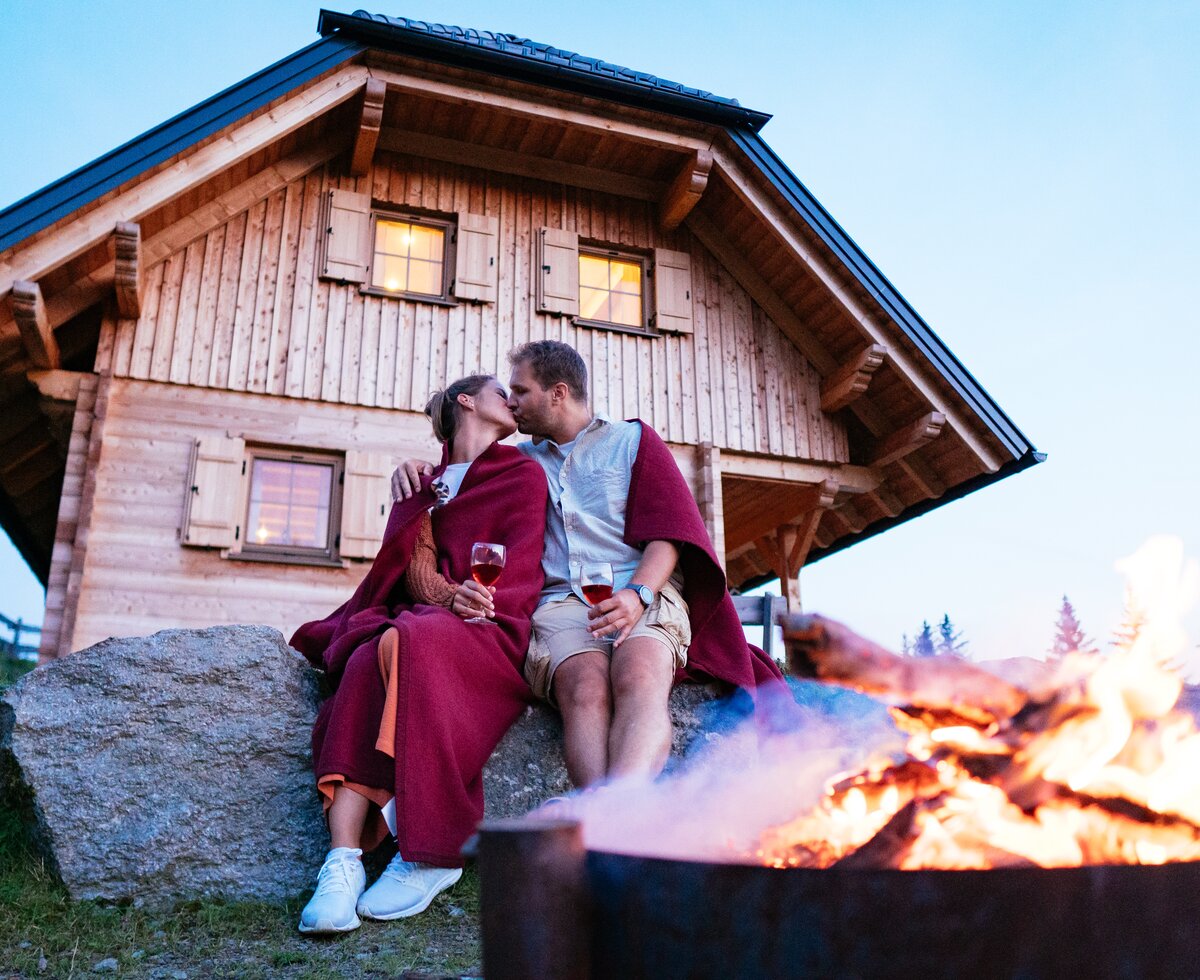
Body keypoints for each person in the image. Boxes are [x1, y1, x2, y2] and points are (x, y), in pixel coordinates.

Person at [393, 341, 784, 789]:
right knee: (584, 689)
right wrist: (419, 468)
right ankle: (602, 821)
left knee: (638, 676)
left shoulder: (632, 440)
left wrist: (637, 595)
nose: (512, 402)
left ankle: (616, 813)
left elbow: (672, 534)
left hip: (640, 589)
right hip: (561, 602)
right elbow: (459, 481)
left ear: (558, 393)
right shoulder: (518, 462)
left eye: (520, 390)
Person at [290, 374, 547, 934]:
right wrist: (416, 505)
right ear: (466, 401)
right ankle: (343, 862)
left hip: (490, 627)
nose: (513, 400)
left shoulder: (524, 472)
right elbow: (407, 569)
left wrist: (481, 599)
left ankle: (432, 850)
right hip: (420, 620)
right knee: (362, 660)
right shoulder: (421, 482)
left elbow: (521, 561)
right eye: (501, 390)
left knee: (407, 638)